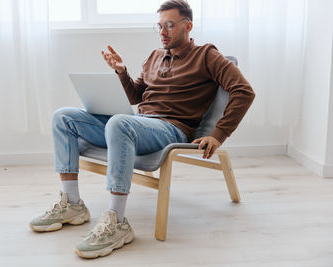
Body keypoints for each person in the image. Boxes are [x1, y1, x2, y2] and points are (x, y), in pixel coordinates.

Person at [29, 0, 255, 259]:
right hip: (139, 124)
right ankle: (72, 204)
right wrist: (121, 71)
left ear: (188, 26)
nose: (163, 31)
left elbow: (244, 91)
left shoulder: (207, 55)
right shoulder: (155, 56)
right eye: (159, 26)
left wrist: (218, 134)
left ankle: (117, 222)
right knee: (63, 117)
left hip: (171, 129)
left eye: (169, 25)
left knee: (119, 122)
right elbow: (136, 96)